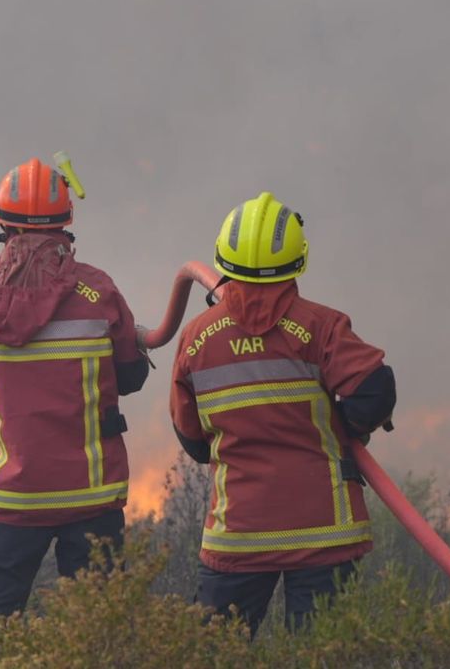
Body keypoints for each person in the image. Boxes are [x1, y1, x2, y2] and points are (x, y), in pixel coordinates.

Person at [170, 191, 396, 636]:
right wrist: (344, 429)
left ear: (224, 258)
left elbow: (191, 437)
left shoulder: (196, 338)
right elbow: (375, 391)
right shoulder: (321, 327)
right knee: (322, 655)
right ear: (298, 259)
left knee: (213, 655)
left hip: (237, 534)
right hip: (323, 535)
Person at [0, 157, 149, 660]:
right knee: (98, 637)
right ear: (66, 224)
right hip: (90, 493)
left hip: (13, 496)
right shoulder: (99, 291)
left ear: (1, 222)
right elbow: (129, 376)